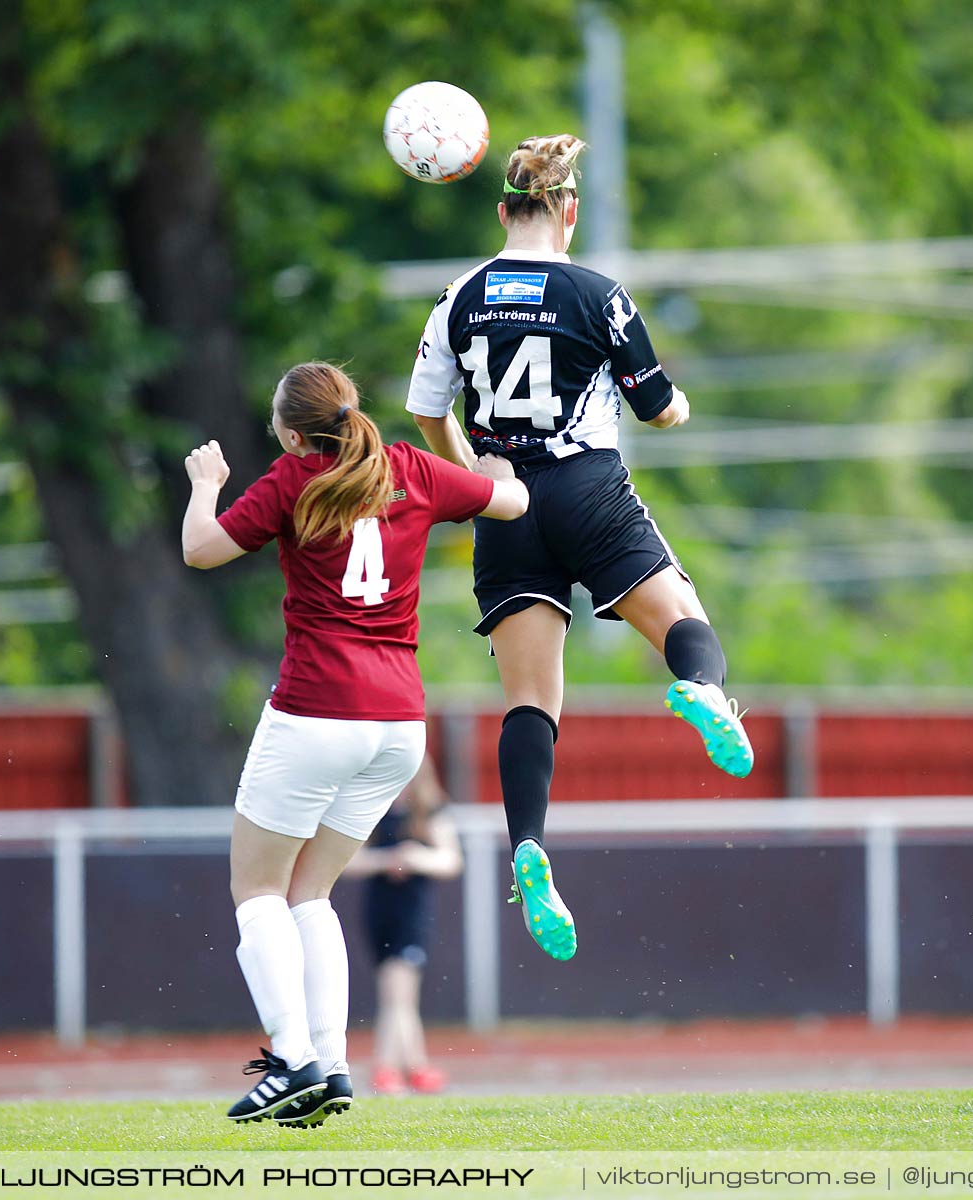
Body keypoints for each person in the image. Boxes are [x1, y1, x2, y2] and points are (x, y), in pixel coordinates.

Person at [405, 134, 753, 966]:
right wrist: (680, 410)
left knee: (531, 701)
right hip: (586, 487)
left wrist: (475, 473)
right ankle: (702, 691)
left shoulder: (458, 297)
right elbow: (660, 409)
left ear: (502, 211)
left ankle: (529, 844)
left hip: (505, 502)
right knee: (683, 618)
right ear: (568, 210)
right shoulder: (598, 292)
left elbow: (425, 412)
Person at [180, 362, 527, 1126]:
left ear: (295, 432)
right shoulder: (408, 467)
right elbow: (512, 499)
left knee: (258, 892)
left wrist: (206, 483)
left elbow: (202, 550)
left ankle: (291, 1057)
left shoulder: (292, 477)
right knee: (310, 893)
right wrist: (483, 464)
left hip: (316, 712)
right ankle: (332, 1066)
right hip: (400, 725)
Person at [343, 757, 463, 1095]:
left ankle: (389, 1066)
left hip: (413, 913)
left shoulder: (430, 810)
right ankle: (415, 1065)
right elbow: (349, 862)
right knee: (396, 992)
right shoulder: (372, 809)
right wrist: (387, 861)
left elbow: (450, 859)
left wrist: (415, 857)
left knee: (399, 992)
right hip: (379, 912)